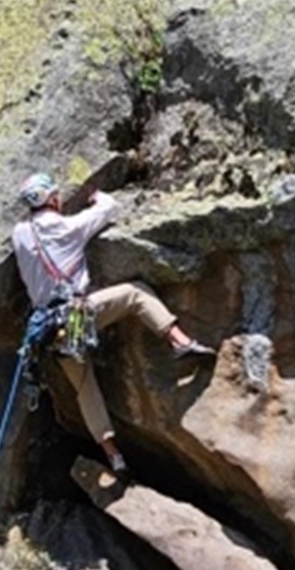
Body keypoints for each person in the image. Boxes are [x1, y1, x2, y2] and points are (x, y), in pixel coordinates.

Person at [11, 171, 215, 475]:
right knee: (135, 294)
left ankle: (114, 456)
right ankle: (180, 342)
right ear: (51, 198)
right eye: (56, 195)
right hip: (79, 313)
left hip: (50, 331)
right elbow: (108, 209)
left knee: (85, 387)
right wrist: (96, 197)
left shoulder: (20, 234)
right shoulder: (67, 228)